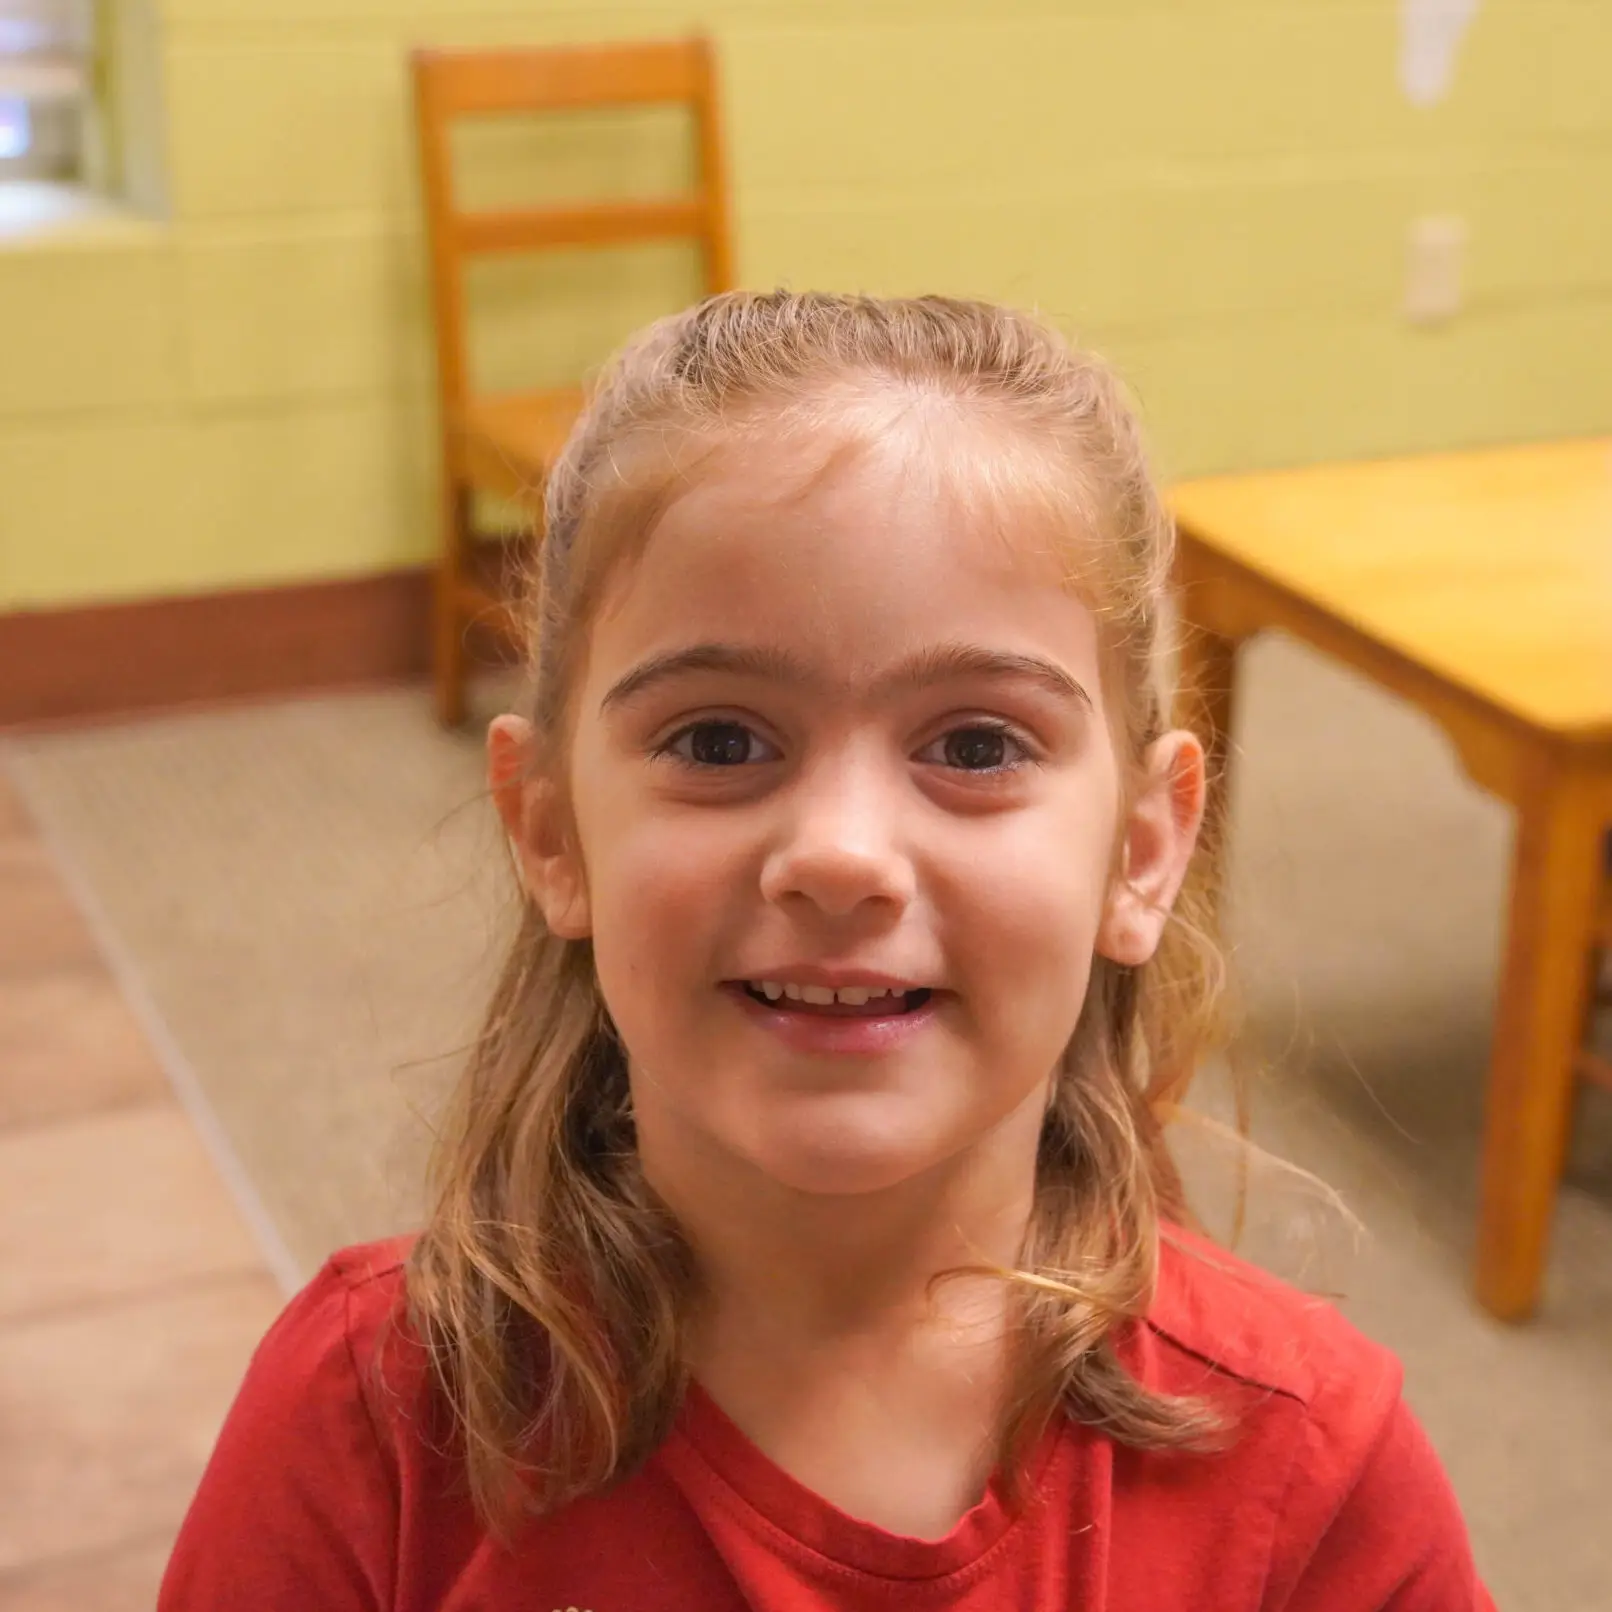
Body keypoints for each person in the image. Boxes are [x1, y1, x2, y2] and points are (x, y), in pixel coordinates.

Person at [159, 291, 1493, 1610]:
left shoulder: (1309, 1471)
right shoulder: (370, 1429)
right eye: (720, 741)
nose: (844, 854)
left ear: (1141, 851)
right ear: (551, 831)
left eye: (976, 746)